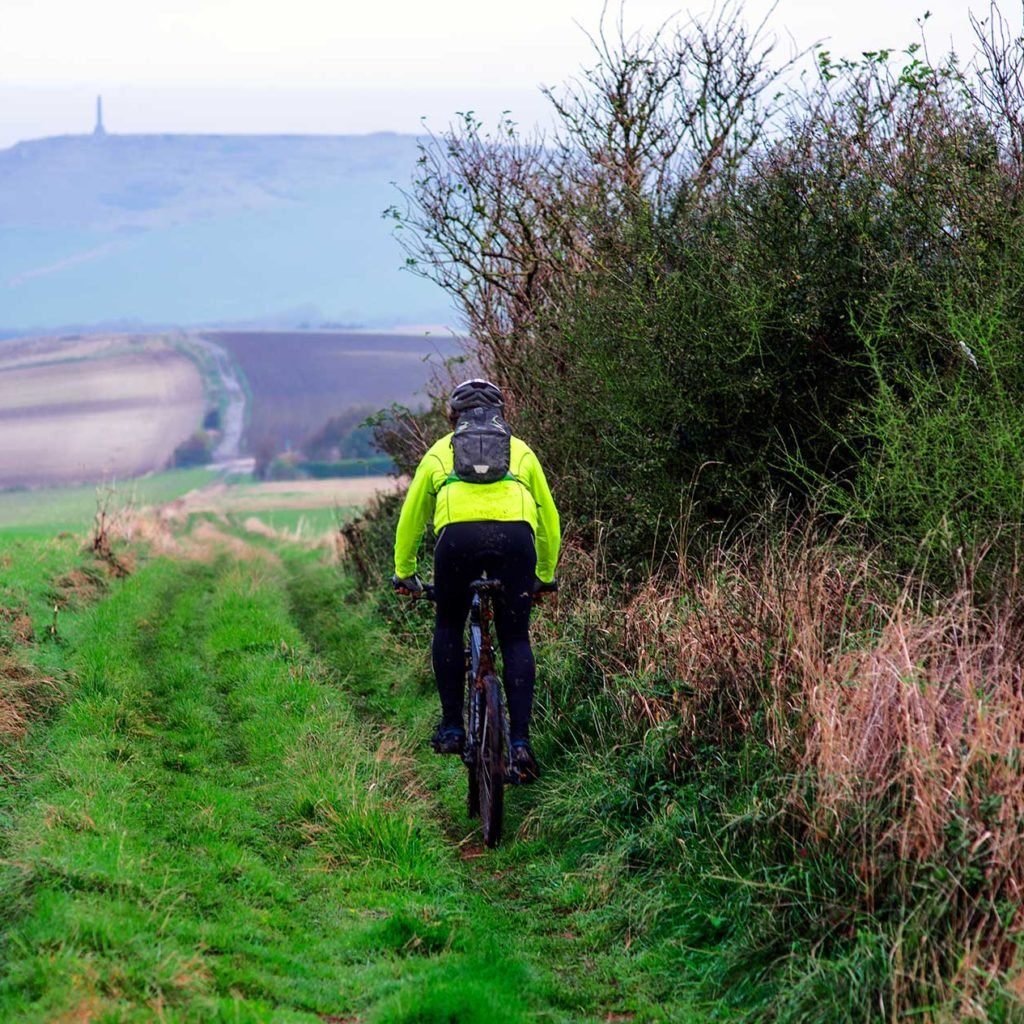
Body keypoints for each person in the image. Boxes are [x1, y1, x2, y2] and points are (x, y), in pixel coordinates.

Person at [392, 378, 560, 781]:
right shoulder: (520, 452)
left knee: (448, 623)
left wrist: (405, 573)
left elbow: (412, 519)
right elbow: (549, 519)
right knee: (516, 638)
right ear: (502, 414)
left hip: (458, 543)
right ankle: (520, 744)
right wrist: (545, 577)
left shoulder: (438, 453)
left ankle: (452, 728)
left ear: (454, 417)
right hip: (516, 541)